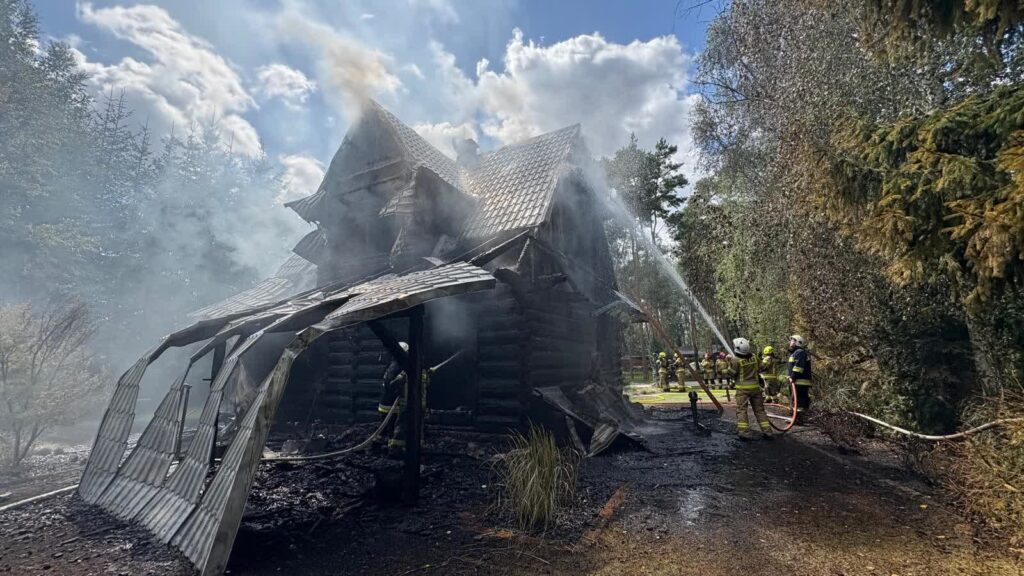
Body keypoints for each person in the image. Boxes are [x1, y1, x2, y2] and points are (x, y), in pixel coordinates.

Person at [729, 337, 772, 440]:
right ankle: (768, 432)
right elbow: (762, 368)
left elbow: (732, 374)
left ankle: (744, 433)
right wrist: (766, 362)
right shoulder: (754, 357)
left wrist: (726, 367)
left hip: (742, 390)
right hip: (756, 389)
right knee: (759, 410)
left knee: (742, 411)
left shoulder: (735, 360)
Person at [378, 342, 410, 456]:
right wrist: (400, 381)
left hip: (386, 403)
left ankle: (378, 449)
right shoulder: (397, 366)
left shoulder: (392, 364)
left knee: (384, 430)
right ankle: (392, 452)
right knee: (392, 430)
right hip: (391, 404)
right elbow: (390, 385)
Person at [787, 334, 812, 425]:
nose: (790, 342)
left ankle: (798, 419)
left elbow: (798, 367)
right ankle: (795, 418)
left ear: (797, 342)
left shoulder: (800, 352)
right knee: (795, 399)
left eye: (792, 340)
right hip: (796, 381)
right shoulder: (795, 352)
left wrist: (793, 376)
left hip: (800, 382)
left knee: (799, 401)